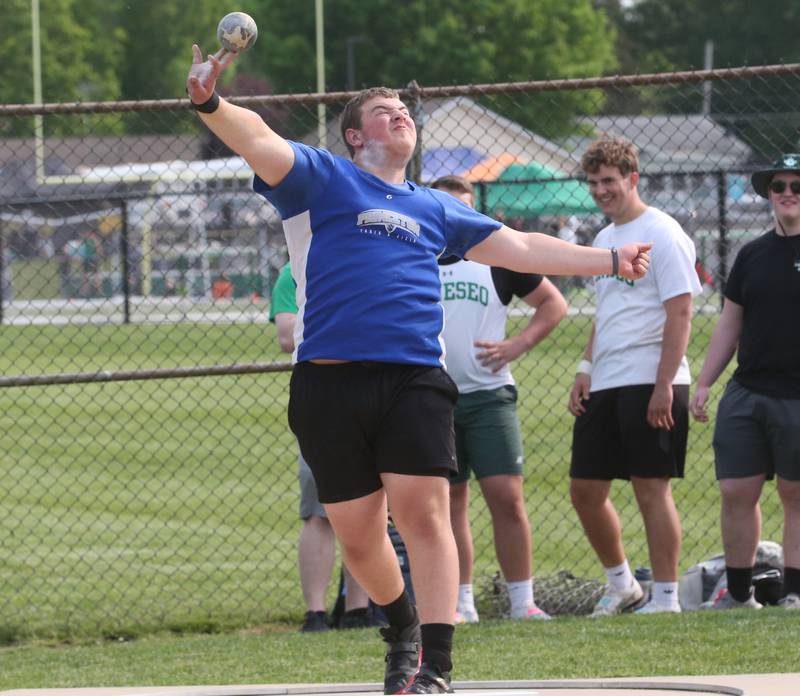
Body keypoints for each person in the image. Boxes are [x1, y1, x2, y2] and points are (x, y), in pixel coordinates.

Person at [187, 44, 651, 694]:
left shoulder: (436, 207)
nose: (400, 114)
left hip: (413, 379)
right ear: (355, 134)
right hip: (328, 382)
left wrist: (609, 260)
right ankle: (401, 625)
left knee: (425, 516)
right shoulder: (320, 178)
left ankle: (435, 666)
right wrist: (210, 101)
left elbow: (519, 247)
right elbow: (258, 137)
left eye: (405, 108)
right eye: (384, 110)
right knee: (358, 538)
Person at [567, 137, 701, 616]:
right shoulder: (603, 240)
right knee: (584, 489)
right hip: (606, 378)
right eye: (594, 182)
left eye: (610, 181)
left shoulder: (662, 232)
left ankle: (665, 598)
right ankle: (622, 583)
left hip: (652, 376)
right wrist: (585, 368)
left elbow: (681, 311)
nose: (602, 190)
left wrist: (665, 384)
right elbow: (604, 314)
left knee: (651, 486)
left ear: (632, 179)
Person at [431, 175, 567, 623]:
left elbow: (553, 305)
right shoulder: (417, 256)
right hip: (433, 398)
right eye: (448, 206)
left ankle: (521, 601)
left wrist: (518, 344)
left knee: (506, 498)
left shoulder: (497, 258)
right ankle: (461, 600)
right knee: (449, 502)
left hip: (489, 396)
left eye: (465, 207)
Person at [689, 154, 800, 611]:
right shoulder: (751, 254)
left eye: (797, 185)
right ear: (768, 194)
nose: (788, 193)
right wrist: (704, 383)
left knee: (795, 493)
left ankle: (794, 593)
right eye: (779, 186)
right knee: (736, 490)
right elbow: (730, 325)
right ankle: (738, 594)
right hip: (748, 389)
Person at [269, 262, 374, 631]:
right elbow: (286, 335)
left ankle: (357, 609)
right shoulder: (293, 272)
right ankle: (315, 612)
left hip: (374, 394)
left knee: (369, 509)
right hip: (324, 399)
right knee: (318, 511)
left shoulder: (366, 260)